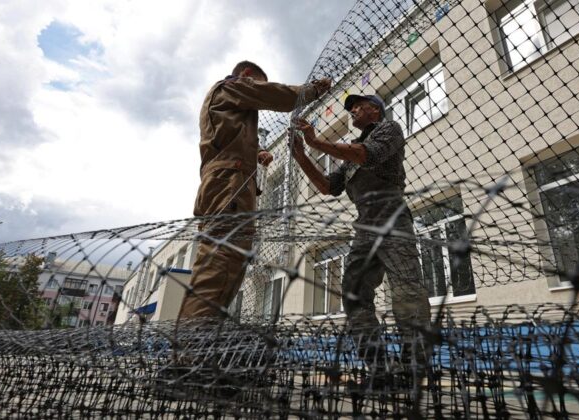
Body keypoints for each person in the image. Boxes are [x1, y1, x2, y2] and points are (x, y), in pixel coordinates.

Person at [291, 94, 432, 385]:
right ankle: (380, 368)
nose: (353, 110)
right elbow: (328, 187)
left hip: (393, 220)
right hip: (365, 228)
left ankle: (415, 368)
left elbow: (367, 154)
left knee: (407, 292)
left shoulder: (388, 130)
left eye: (359, 106)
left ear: (376, 111)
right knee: (354, 295)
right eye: (351, 108)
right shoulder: (350, 158)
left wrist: (316, 143)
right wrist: (301, 155)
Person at [179, 61, 331, 319]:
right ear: (247, 75)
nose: (256, 88)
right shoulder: (230, 87)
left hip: (227, 181)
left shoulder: (227, 100)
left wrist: (257, 152)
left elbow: (229, 133)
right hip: (230, 184)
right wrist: (313, 90)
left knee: (228, 260)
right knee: (221, 259)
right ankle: (190, 349)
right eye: (256, 83)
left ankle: (201, 337)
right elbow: (275, 96)